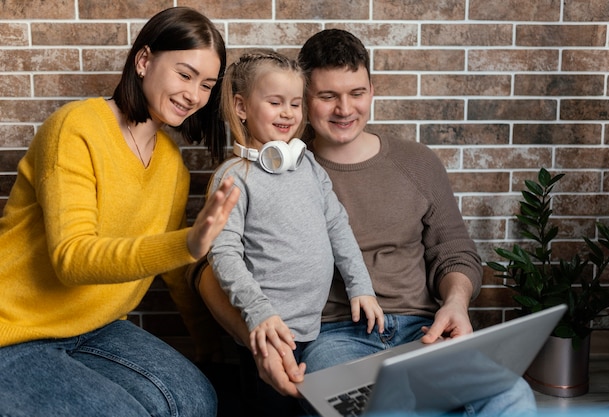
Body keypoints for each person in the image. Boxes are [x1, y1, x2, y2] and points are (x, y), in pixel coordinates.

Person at [193, 29, 537, 417]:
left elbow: (454, 251)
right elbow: (210, 266)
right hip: (334, 337)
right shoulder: (274, 171)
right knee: (379, 409)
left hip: (422, 331)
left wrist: (456, 302)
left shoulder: (417, 162)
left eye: (356, 93)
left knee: (512, 395)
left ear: (372, 90)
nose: (345, 109)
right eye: (327, 96)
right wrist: (259, 340)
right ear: (306, 98)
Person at [0, 7, 240, 417]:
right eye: (185, 75)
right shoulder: (76, 128)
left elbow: (175, 274)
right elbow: (71, 260)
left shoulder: (171, 165)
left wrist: (208, 346)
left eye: (206, 84)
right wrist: (187, 243)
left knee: (198, 400)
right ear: (144, 61)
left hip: (97, 327)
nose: (194, 95)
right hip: (14, 330)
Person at [205, 49, 384, 416]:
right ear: (241, 107)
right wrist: (258, 314)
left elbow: (337, 227)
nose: (287, 113)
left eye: (295, 103)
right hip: (268, 330)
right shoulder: (235, 177)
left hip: (313, 329)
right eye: (274, 102)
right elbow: (221, 253)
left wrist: (360, 286)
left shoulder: (309, 166)